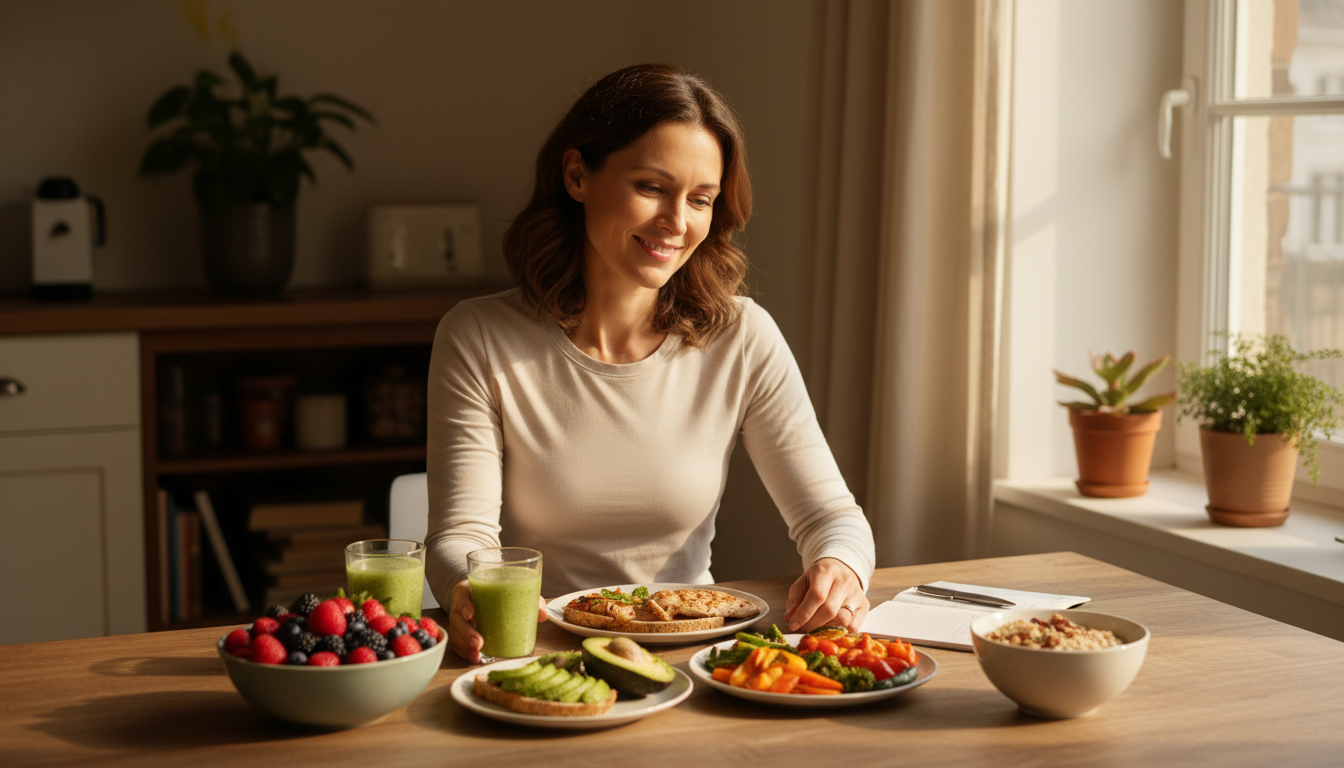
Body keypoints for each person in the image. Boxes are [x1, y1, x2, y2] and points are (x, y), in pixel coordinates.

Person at [425, 63, 875, 664]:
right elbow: (462, 538)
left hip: (695, 657)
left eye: (700, 200)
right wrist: (467, 588)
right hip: (541, 654)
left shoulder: (742, 336)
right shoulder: (478, 335)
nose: (676, 222)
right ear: (578, 174)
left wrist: (839, 567)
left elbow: (829, 514)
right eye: (651, 188)